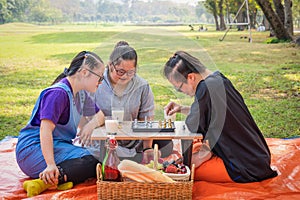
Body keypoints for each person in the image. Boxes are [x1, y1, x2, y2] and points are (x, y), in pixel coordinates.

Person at [163, 51, 278, 183]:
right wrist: (182, 108)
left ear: (191, 78)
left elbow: (192, 125)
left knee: (186, 171)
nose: (181, 92)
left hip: (245, 167)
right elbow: (210, 113)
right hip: (257, 156)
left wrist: (201, 156)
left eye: (179, 88)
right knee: (194, 152)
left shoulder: (205, 88)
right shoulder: (218, 79)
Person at [15, 51, 106, 197]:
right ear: (84, 72)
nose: (100, 82)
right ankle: (44, 181)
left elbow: (102, 113)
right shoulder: (58, 93)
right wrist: (50, 164)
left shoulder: (81, 94)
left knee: (100, 157)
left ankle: (60, 179)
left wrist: (90, 125)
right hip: (33, 150)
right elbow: (45, 130)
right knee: (94, 161)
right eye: (100, 77)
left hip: (57, 145)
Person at [93, 41, 173, 163]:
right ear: (110, 65)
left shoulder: (142, 86)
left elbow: (147, 120)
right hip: (106, 141)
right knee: (94, 155)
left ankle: (136, 156)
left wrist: (147, 149)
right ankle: (130, 157)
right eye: (120, 71)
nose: (125, 76)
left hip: (135, 140)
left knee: (167, 143)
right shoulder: (96, 83)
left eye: (131, 72)